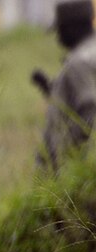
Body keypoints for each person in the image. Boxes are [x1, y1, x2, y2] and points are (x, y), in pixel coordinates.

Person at [36, 0, 96, 170]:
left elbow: (90, 109)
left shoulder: (78, 63)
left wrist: (67, 155)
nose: (58, 37)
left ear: (72, 27)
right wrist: (51, 89)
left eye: (60, 30)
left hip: (72, 170)